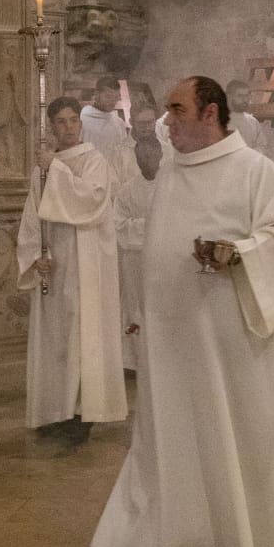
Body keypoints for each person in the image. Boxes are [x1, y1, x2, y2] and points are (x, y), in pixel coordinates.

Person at [75, 76, 274, 547]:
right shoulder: (172, 174)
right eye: (166, 110)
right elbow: (155, 251)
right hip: (173, 343)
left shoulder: (256, 171)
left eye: (178, 110)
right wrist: (141, 313)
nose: (167, 120)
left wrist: (239, 251)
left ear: (211, 113)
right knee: (164, 448)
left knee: (243, 442)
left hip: (233, 342)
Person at [18, 96, 127, 441]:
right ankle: (55, 410)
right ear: (51, 127)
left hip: (87, 261)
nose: (67, 128)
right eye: (60, 122)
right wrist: (36, 253)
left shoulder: (94, 161)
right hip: (56, 264)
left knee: (84, 334)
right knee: (55, 339)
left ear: (80, 125)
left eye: (72, 121)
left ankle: (83, 413)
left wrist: (57, 169)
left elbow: (90, 200)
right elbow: (33, 214)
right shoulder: (44, 166)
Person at [107, 102, 163, 371]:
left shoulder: (168, 177)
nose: (146, 127)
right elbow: (118, 217)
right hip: (133, 255)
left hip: (161, 254)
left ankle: (161, 359)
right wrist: (147, 225)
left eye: (150, 122)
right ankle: (134, 360)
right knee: (133, 307)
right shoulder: (121, 157)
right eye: (141, 123)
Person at [226, 79, 274, 158]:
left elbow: (262, 146)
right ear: (229, 97)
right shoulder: (219, 121)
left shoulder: (252, 121)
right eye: (240, 96)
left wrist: (249, 156)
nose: (245, 100)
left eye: (247, 95)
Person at [80, 82, 128, 155]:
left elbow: (123, 153)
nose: (112, 101)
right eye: (108, 96)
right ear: (96, 94)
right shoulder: (82, 118)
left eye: (116, 97)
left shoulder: (119, 122)